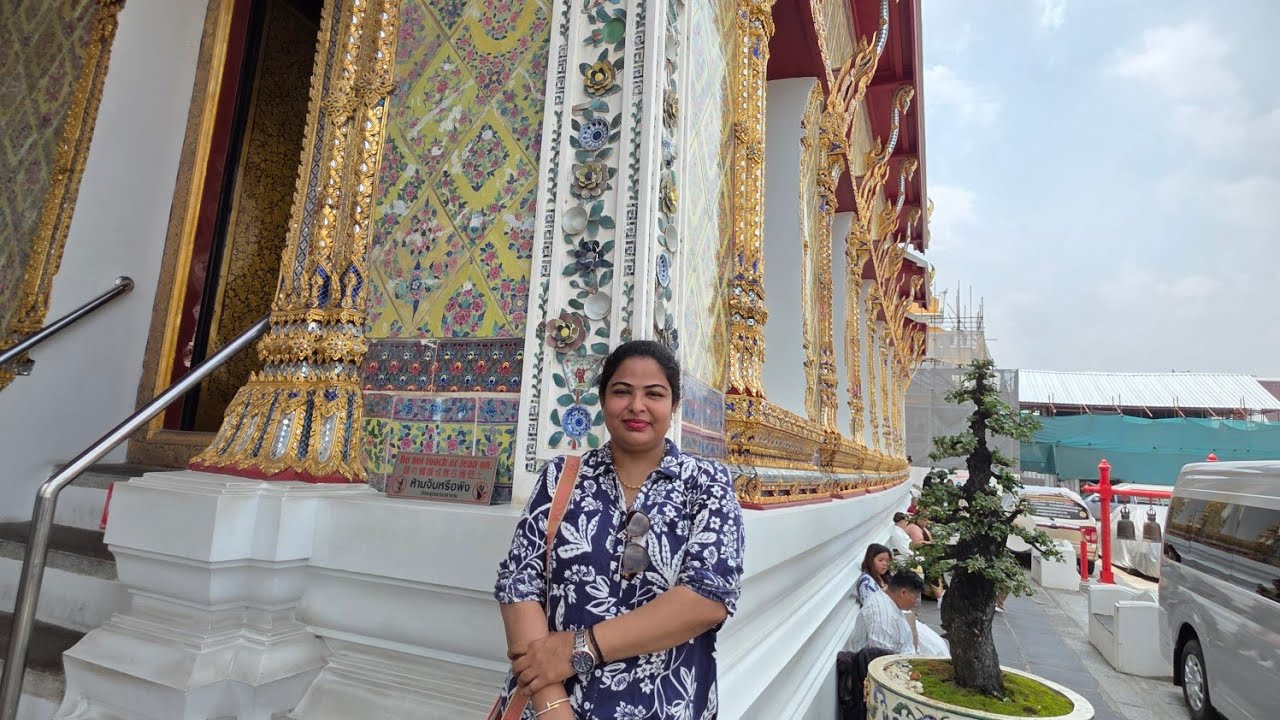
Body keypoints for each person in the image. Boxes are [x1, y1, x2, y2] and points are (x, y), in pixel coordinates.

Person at [493, 340, 746, 720]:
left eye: (654, 394)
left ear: (673, 404)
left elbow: (707, 598)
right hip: (555, 705)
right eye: (622, 391)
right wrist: (551, 704)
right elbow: (519, 584)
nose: (637, 406)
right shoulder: (560, 477)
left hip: (666, 704)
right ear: (602, 399)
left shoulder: (707, 484)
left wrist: (581, 648)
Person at [848, 570, 925, 656]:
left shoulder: (889, 601)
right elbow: (882, 659)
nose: (916, 602)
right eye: (915, 598)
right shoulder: (882, 615)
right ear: (903, 593)